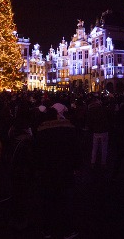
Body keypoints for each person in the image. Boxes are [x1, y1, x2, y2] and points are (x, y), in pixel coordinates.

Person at [34, 107, 80, 239]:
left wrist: (38, 168)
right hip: (65, 170)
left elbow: (37, 153)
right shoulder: (68, 129)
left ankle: (47, 229)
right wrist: (76, 166)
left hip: (47, 172)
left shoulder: (41, 132)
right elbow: (75, 149)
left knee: (48, 201)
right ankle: (67, 229)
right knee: (66, 201)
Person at [86, 96, 110, 169]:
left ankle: (93, 162)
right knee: (104, 147)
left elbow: (89, 121)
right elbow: (108, 119)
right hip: (104, 130)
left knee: (95, 147)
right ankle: (103, 162)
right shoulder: (104, 109)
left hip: (96, 130)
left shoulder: (91, 110)